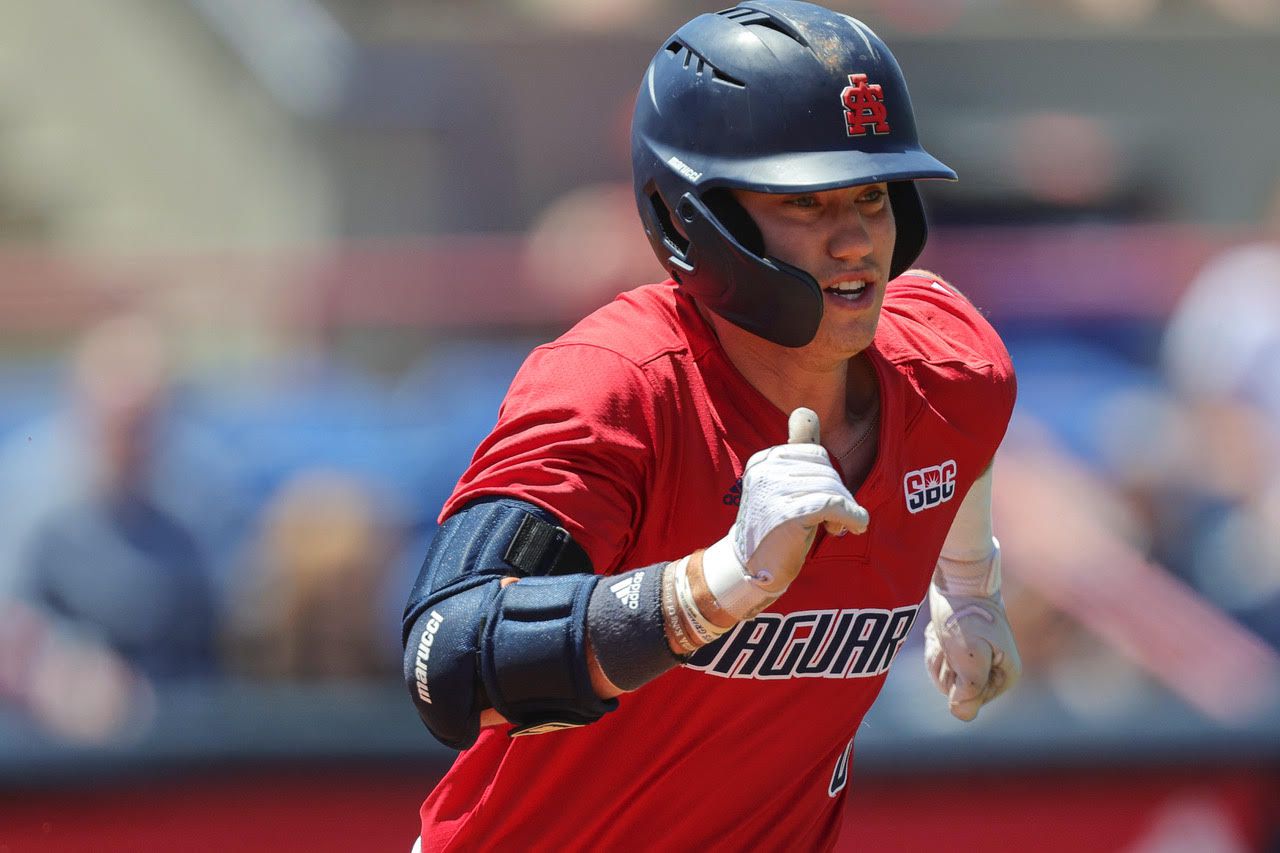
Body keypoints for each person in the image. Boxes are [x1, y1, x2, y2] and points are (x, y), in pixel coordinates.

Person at [402, 2, 1021, 848]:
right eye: (806, 202)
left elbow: (968, 411)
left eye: (873, 195)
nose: (855, 240)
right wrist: (717, 583)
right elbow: (447, 658)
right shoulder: (618, 384)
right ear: (695, 217)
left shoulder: (951, 365)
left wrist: (970, 586)